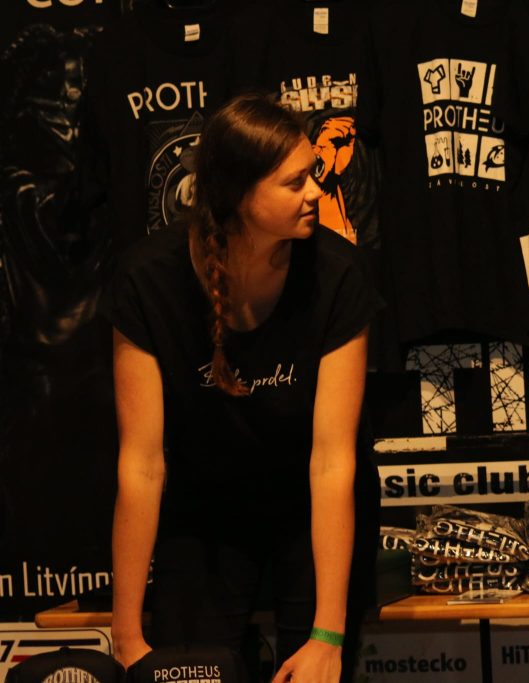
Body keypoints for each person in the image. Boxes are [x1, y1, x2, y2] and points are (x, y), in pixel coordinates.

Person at [102, 93, 382, 683]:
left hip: (311, 510)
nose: (316, 191)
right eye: (295, 182)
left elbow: (332, 461)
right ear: (238, 195)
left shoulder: (339, 273)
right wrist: (125, 635)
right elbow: (142, 465)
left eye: (313, 173)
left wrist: (327, 637)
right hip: (206, 512)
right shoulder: (147, 279)